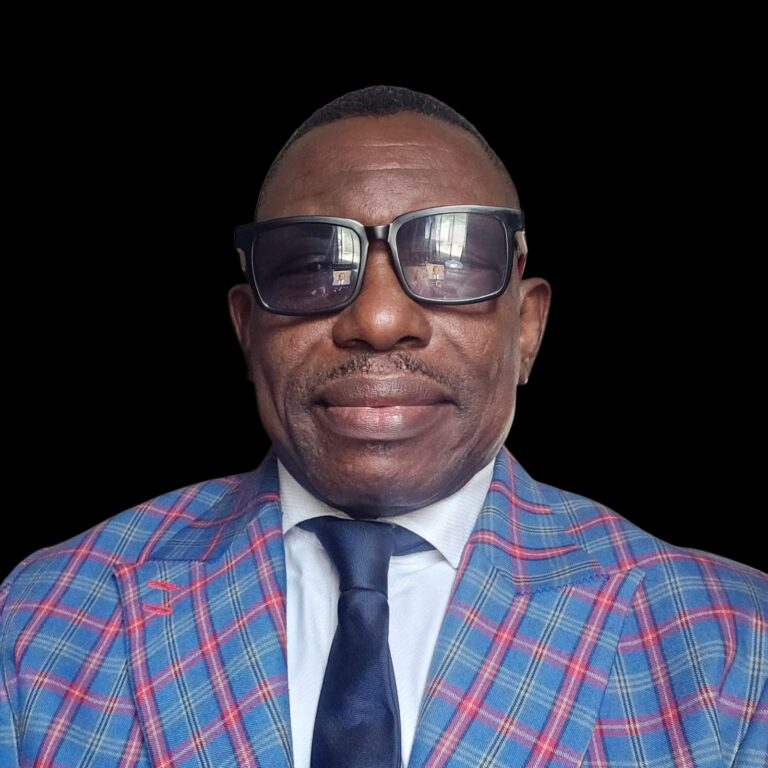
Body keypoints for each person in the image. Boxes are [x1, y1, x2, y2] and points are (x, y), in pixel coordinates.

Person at [1, 85, 765, 768]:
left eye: (449, 259)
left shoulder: (735, 646)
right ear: (247, 331)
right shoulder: (40, 622)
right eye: (312, 265)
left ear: (527, 328)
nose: (377, 319)